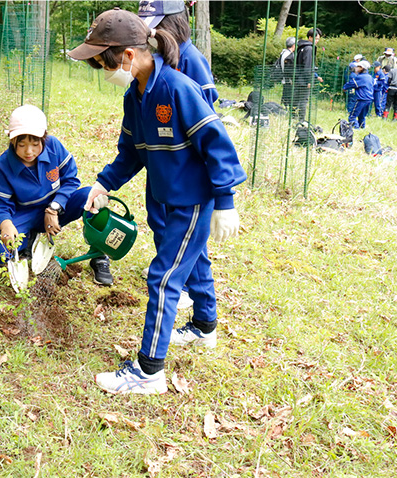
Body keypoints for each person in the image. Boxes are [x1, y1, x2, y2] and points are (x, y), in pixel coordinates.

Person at [68, 8, 247, 394]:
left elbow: (217, 143)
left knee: (163, 279)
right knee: (185, 262)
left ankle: (149, 372)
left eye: (103, 63)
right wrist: (103, 184)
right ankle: (204, 328)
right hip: (163, 197)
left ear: (129, 56)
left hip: (192, 201)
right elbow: (131, 152)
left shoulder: (178, 89)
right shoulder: (135, 96)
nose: (103, 71)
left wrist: (225, 199)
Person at [137, 0, 217, 311]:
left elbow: (205, 116)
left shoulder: (191, 60)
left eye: (156, 23)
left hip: (186, 171)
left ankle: (185, 287)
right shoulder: (153, 58)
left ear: (176, 21)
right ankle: (175, 273)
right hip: (161, 164)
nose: (150, 31)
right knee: (160, 222)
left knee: (188, 237)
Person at [0, 105, 113, 285]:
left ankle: (99, 254)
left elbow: (71, 180)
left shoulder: (54, 147)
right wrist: (5, 224)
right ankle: (27, 238)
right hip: (25, 214)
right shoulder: (3, 167)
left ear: (44, 138)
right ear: (12, 142)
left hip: (57, 206)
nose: (29, 151)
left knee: (92, 198)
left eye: (35, 144)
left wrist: (54, 208)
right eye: (22, 145)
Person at [294, 28, 324, 120]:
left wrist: (315, 76)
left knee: (296, 100)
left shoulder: (301, 47)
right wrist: (309, 80)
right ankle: (301, 120)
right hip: (303, 80)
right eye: (316, 39)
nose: (317, 41)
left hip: (298, 78)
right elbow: (307, 66)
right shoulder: (309, 48)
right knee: (303, 100)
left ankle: (294, 117)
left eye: (318, 39)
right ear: (310, 37)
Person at [343, 60, 373, 129]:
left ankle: (356, 129)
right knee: (362, 116)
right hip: (369, 99)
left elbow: (351, 84)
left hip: (361, 99)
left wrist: (344, 88)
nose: (356, 68)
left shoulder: (360, 77)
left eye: (358, 67)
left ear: (362, 68)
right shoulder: (369, 77)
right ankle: (362, 127)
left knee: (352, 116)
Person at [279, 37, 297, 109]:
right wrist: (292, 79)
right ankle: (286, 109)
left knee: (285, 95)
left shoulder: (283, 53)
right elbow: (290, 69)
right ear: (293, 45)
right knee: (288, 96)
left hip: (284, 78)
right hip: (288, 79)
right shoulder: (290, 56)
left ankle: (284, 108)